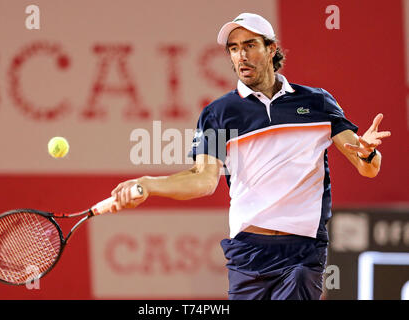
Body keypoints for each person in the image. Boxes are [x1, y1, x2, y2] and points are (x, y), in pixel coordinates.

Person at [108, 13, 391, 300]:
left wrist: (368, 154)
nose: (241, 55)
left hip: (303, 251)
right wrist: (149, 183)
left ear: (271, 49)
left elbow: (368, 167)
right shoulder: (219, 113)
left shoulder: (316, 102)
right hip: (248, 251)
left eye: (250, 45)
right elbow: (203, 180)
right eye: (233, 48)